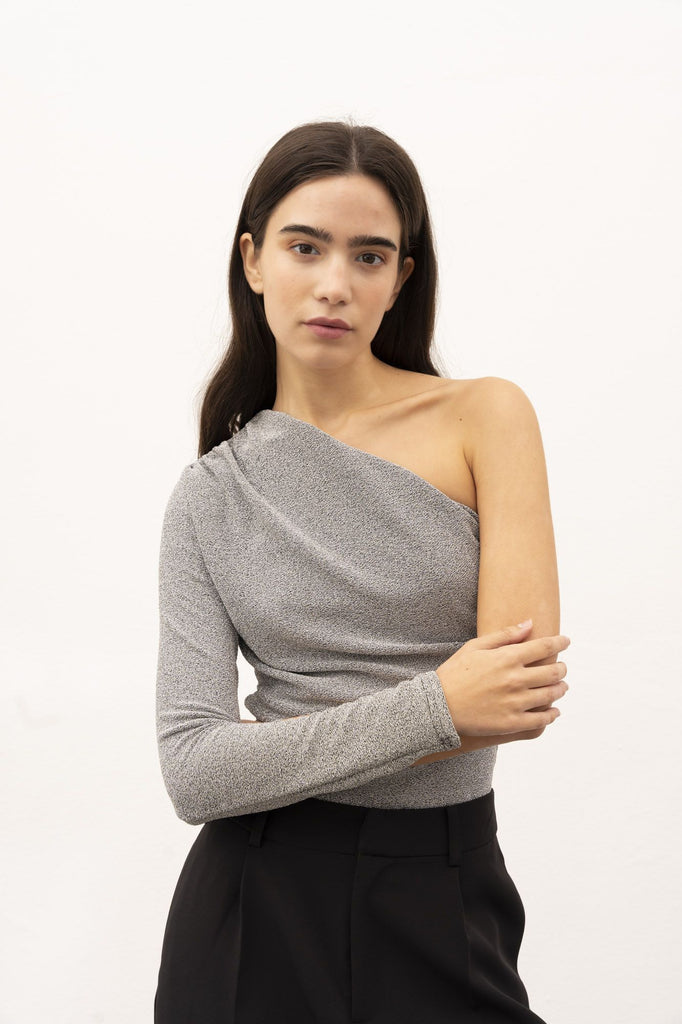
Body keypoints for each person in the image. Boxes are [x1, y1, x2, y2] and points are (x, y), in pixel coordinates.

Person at [153, 120, 570, 1024]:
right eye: (305, 247)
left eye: (369, 256)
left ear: (401, 278)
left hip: (444, 883)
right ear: (253, 260)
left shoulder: (484, 417)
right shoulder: (209, 497)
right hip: (253, 905)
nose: (335, 284)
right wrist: (438, 704)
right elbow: (194, 772)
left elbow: (516, 693)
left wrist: (280, 749)